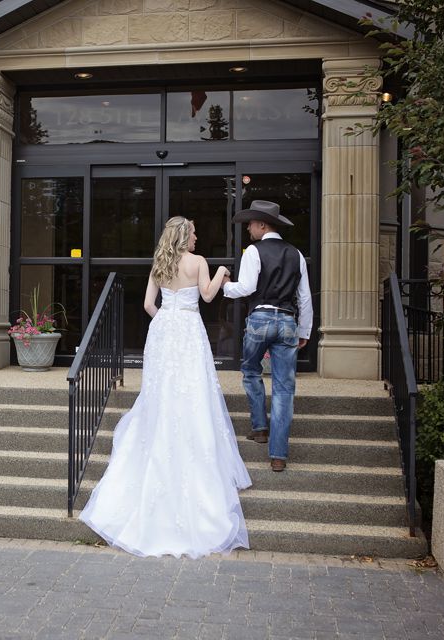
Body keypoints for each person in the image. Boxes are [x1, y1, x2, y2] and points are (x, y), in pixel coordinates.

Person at [79, 216, 252, 558]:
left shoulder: (159, 264)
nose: (198, 236)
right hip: (188, 330)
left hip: (163, 331)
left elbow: (147, 305)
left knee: (161, 391)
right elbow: (206, 296)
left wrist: (166, 321)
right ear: (185, 236)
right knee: (193, 392)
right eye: (195, 231)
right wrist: (221, 274)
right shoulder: (199, 262)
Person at [223, 200, 313, 473]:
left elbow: (248, 287)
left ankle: (260, 427)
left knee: (251, 371)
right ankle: (278, 455)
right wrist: (305, 331)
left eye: (251, 223)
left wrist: (226, 286)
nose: (248, 228)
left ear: (263, 225)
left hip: (260, 318)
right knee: (285, 388)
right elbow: (305, 297)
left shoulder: (254, 250)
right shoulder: (295, 253)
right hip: (287, 321)